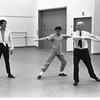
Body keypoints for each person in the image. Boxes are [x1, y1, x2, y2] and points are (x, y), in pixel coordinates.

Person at [71, 21, 100, 86]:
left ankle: (93, 76)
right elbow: (75, 37)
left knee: (89, 64)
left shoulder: (87, 33)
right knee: (76, 66)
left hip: (85, 51)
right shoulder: (74, 33)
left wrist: (98, 39)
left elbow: (94, 37)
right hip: (77, 51)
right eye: (77, 25)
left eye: (78, 25)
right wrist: (83, 37)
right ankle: (76, 80)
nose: (77, 26)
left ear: (82, 26)